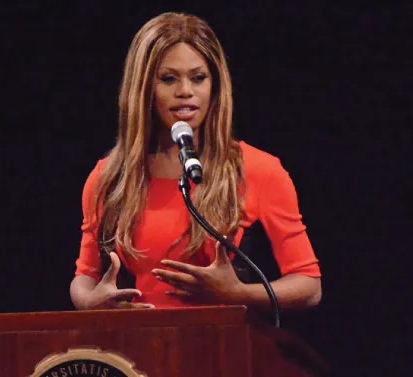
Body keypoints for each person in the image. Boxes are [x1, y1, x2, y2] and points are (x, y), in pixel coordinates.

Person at [70, 12, 322, 312]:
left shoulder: (258, 170)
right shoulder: (109, 178)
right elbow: (84, 276)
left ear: (215, 86)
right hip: (137, 350)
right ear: (144, 90)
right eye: (168, 79)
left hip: (222, 350)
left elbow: (308, 284)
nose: (185, 91)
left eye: (198, 77)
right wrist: (92, 301)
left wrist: (238, 293)